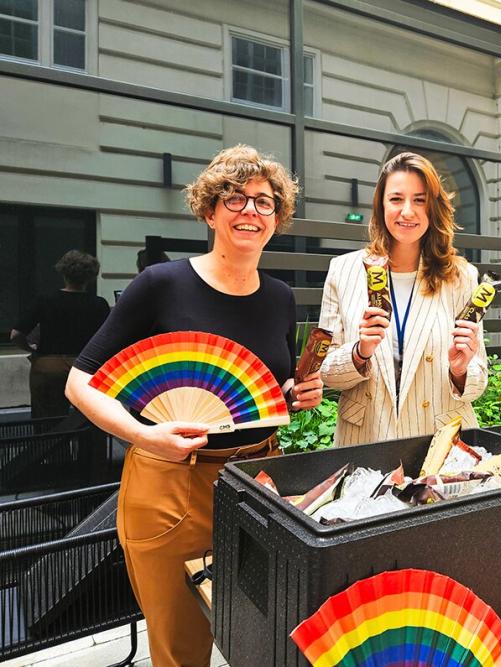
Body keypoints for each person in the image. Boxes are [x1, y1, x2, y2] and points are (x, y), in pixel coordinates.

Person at [65, 145, 324, 667]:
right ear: (210, 210)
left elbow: (270, 392)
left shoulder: (279, 297)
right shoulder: (161, 284)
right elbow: (79, 383)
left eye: (264, 202)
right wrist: (143, 436)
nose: (251, 211)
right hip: (170, 483)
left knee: (259, 635)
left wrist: (297, 397)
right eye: (235, 199)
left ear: (278, 218)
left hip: (255, 482)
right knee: (182, 648)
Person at [318, 152, 487, 446]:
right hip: (366, 438)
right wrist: (360, 352)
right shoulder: (343, 270)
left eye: (419, 200)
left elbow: (478, 380)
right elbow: (327, 373)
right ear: (381, 205)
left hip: (439, 441)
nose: (407, 211)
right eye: (396, 199)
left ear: (433, 208)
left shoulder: (461, 276)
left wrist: (460, 370)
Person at [11, 250, 110, 419]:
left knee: (48, 424)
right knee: (91, 422)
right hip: (86, 367)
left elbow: (16, 335)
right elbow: (108, 339)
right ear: (91, 276)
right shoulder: (99, 304)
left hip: (49, 365)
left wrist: (31, 348)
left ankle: (52, 446)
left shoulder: (45, 300)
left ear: (63, 272)